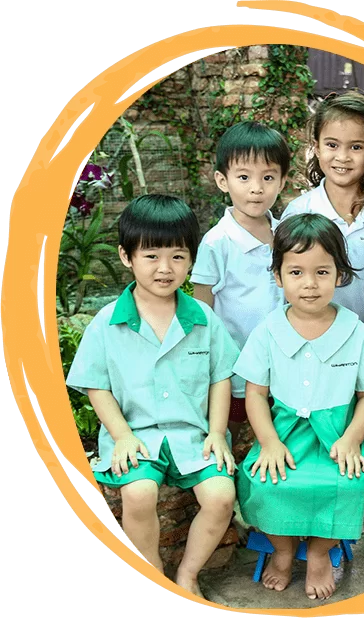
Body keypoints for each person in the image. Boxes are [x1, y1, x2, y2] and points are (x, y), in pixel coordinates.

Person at [66, 194, 240, 599]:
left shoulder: (203, 319)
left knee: (221, 496)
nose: (165, 268)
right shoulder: (107, 323)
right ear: (126, 257)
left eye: (178, 256)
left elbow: (220, 378)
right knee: (139, 492)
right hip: (135, 436)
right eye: (151, 256)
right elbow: (96, 386)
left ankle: (188, 575)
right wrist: (122, 436)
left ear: (191, 260)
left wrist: (217, 433)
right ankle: (153, 570)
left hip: (194, 438)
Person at [234, 213, 364, 600]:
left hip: (338, 433)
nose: (310, 284)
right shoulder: (267, 331)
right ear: (278, 276)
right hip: (285, 432)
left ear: (340, 275)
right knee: (263, 483)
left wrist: (352, 439)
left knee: (345, 483)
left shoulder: (356, 332)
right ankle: (283, 551)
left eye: (322, 272)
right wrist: (269, 442)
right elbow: (255, 394)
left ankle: (320, 552)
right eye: (296, 272)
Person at [279, 89, 364, 542]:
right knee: (316, 424)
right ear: (315, 147)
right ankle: (307, 508)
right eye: (331, 145)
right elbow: (285, 278)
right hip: (312, 341)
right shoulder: (300, 211)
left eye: (356, 146)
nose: (342, 157)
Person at [191, 120, 290, 448]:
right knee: (229, 428)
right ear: (223, 180)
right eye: (244, 177)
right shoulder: (217, 242)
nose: (256, 188)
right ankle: (223, 470)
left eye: (268, 177)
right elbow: (201, 309)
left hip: (281, 362)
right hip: (234, 365)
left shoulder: (286, 234)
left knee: (278, 430)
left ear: (282, 180)